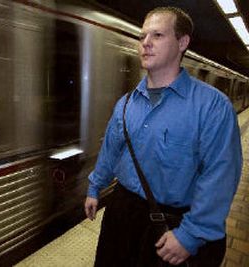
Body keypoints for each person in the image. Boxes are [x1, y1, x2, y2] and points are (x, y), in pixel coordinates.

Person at [84, 6, 242, 267]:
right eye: (142, 36)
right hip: (122, 212)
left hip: (173, 223)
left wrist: (190, 236)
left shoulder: (213, 106)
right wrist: (95, 187)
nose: (145, 43)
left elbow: (221, 175)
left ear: (182, 42)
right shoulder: (126, 103)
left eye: (157, 35)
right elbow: (111, 150)